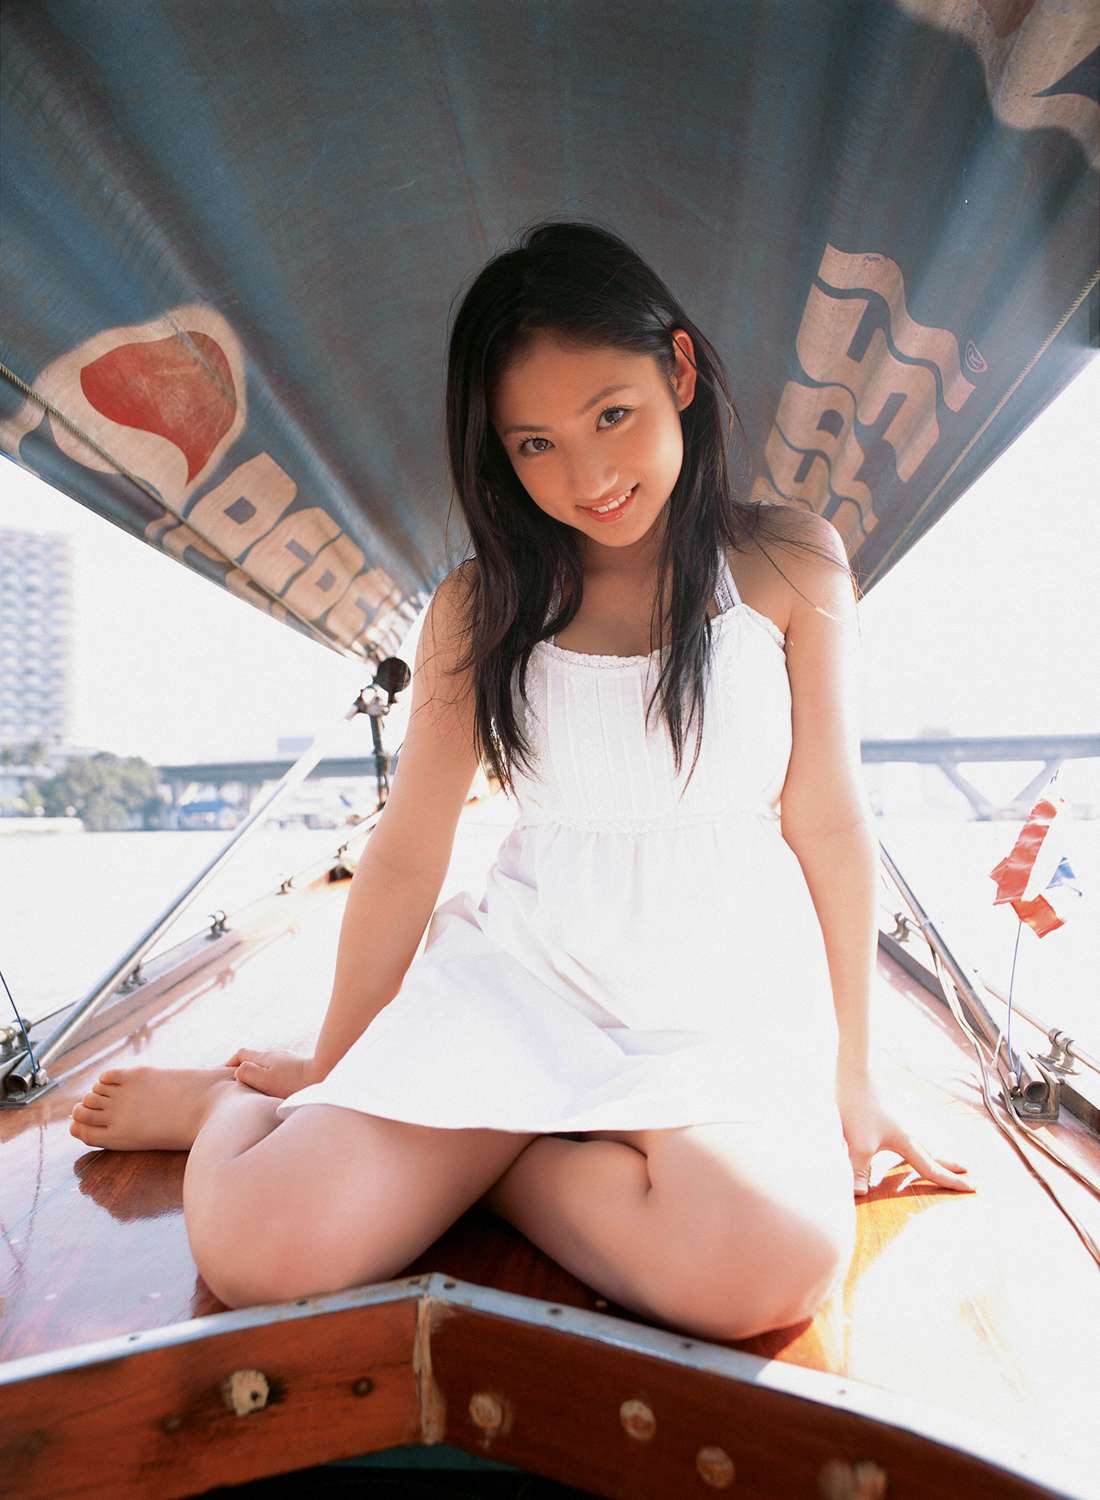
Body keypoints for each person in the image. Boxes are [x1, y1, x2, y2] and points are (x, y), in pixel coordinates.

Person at [68, 219, 974, 1333]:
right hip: (524, 985)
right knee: (263, 1251)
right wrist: (339, 1071)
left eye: (611, 416)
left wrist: (854, 1077)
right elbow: (408, 853)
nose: (588, 476)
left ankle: (490, 1154)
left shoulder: (789, 560)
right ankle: (227, 1108)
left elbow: (828, 823)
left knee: (769, 1265)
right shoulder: (480, 605)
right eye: (535, 443)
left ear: (679, 371)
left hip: (723, 1002)